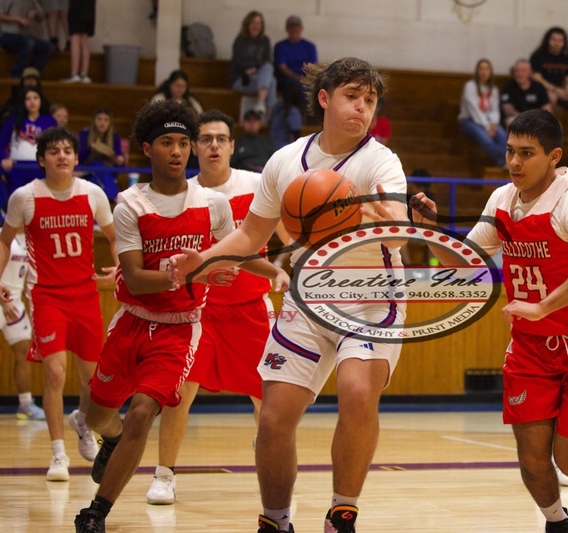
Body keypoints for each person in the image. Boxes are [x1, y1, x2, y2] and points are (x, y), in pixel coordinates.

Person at [168, 56, 408, 533]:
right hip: (309, 295)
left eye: (370, 100)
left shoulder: (381, 160)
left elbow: (399, 237)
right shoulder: (285, 161)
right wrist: (204, 259)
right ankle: (275, 520)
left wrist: (388, 221)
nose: (362, 108)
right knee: (274, 419)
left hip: (372, 297)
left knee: (357, 393)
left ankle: (342, 512)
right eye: (352, 97)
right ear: (324, 99)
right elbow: (251, 235)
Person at [412, 109, 568, 532]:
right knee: (530, 456)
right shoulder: (502, 200)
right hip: (531, 345)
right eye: (510, 151)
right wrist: (429, 232)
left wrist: (544, 306)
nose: (514, 162)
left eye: (526, 153)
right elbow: (467, 264)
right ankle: (556, 522)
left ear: (554, 157)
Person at [73, 100, 234, 532]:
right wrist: (189, 270)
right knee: (96, 416)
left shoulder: (214, 204)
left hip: (179, 330)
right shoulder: (129, 204)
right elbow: (134, 278)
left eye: (184, 142)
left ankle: (96, 511)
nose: (178, 151)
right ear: (148, 148)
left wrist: (252, 267)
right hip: (131, 320)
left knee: (143, 411)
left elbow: (230, 253)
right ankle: (109, 435)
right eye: (168, 142)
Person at [145, 109, 288, 506]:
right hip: (198, 311)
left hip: (250, 307)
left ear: (232, 146)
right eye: (204, 139)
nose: (212, 145)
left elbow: (289, 238)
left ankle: (274, 481)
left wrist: (284, 270)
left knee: (270, 398)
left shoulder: (258, 185)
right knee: (179, 393)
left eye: (220, 139)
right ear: (194, 147)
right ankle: (163, 476)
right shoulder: (182, 193)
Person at [0, 126, 117, 482]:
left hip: (85, 294)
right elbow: (3, 240)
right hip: (46, 295)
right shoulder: (25, 197)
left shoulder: (92, 193)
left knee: (91, 378)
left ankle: (82, 422)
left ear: (76, 158)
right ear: (42, 159)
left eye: (67, 150)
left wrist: (120, 266)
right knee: (55, 372)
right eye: (54, 151)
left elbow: (114, 235)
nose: (62, 156)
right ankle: (58, 453)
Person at [0, 227, 44, 420]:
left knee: (24, 351)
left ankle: (25, 404)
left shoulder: (28, 239)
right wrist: (2, 301)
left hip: (16, 302)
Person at [0, 87, 58, 199]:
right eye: (28, 99)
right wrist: (3, 159)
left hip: (42, 169)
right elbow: (0, 145)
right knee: (17, 205)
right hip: (17, 169)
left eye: (35, 98)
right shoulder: (13, 120)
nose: (32, 102)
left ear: (41, 100)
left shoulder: (50, 121)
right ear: (23, 102)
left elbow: (57, 146)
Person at [530, 27, 568, 117]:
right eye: (554, 40)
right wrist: (555, 89)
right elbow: (537, 78)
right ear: (548, 40)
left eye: (560, 41)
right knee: (551, 97)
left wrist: (567, 92)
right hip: (546, 91)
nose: (557, 43)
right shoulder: (538, 56)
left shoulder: (567, 58)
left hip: (563, 92)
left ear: (564, 42)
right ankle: (551, 128)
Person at [458, 58, 507, 167]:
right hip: (469, 120)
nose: (483, 72)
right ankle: (502, 162)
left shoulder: (493, 89)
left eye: (486, 69)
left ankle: (504, 161)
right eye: (481, 69)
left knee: (503, 137)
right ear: (477, 71)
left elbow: (495, 109)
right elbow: (474, 110)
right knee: (486, 140)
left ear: (490, 72)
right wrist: (487, 127)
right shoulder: (470, 87)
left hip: (489, 121)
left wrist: (494, 123)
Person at [230, 10, 276, 115]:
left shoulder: (265, 40)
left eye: (259, 23)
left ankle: (261, 104)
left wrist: (254, 69)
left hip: (259, 77)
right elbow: (237, 63)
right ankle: (271, 114)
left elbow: (266, 60)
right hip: (241, 79)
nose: (256, 26)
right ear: (247, 24)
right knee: (272, 82)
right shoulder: (240, 40)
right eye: (253, 23)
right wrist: (248, 70)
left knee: (268, 68)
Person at [0, 0, 54, 79]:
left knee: (48, 47)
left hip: (24, 37)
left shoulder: (32, 2)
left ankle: (30, 75)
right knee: (28, 43)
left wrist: (35, 14)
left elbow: (41, 18)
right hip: (6, 35)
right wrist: (18, 19)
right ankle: (15, 75)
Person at [78, 107, 124, 200]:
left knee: (98, 173)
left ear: (110, 122)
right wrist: (91, 149)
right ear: (94, 120)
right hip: (86, 172)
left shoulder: (114, 136)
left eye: (106, 120)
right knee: (97, 166)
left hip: (107, 173)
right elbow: (79, 158)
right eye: (99, 119)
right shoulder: (84, 134)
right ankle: (115, 198)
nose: (102, 123)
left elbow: (119, 165)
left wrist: (118, 159)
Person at [273, 15, 317, 96]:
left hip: (306, 79)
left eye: (297, 27)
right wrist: (298, 78)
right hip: (287, 79)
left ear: (301, 28)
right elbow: (282, 68)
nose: (294, 29)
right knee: (296, 86)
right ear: (287, 29)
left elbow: (312, 67)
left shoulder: (310, 46)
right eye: (291, 27)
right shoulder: (280, 46)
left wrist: (306, 79)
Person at [499, 59, 550, 129]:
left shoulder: (538, 87)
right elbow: (507, 109)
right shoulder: (508, 86)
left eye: (523, 71)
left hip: (536, 119)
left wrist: (539, 119)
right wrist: (525, 119)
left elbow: (546, 106)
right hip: (517, 118)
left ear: (530, 72)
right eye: (517, 71)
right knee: (510, 121)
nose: (520, 74)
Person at [62, 0, 96, 83]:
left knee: (75, 36)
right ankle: (84, 74)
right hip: (89, 7)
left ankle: (75, 73)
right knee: (84, 37)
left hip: (77, 6)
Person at [269, 82, 304, 150]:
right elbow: (296, 136)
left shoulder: (276, 106)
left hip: (271, 147)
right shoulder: (293, 112)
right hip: (284, 149)